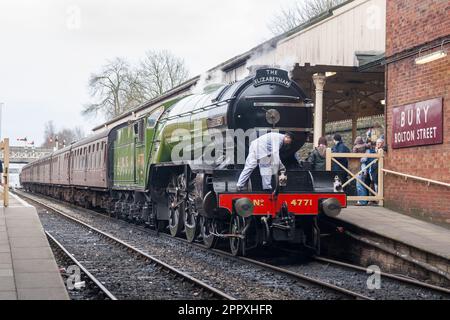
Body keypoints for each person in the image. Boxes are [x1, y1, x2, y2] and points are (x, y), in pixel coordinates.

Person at [353, 136, 370, 206]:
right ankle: (361, 200)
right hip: (361, 168)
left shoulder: (365, 153)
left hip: (362, 169)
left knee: (360, 185)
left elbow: (363, 160)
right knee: (360, 185)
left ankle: (362, 201)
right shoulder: (366, 150)